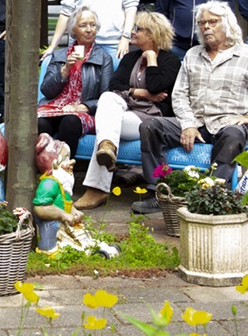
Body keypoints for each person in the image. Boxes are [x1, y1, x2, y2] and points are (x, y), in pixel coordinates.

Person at [132, 0, 248, 214]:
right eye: (202, 22)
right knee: (150, 126)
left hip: (229, 124)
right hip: (195, 122)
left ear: (227, 24)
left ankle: (211, 196)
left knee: (233, 135)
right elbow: (179, 95)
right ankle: (160, 192)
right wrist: (187, 124)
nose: (206, 26)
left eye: (212, 22)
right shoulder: (192, 54)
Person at [74, 11, 181, 210]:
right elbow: (114, 86)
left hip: (149, 119)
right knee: (107, 98)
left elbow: (157, 85)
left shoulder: (171, 61)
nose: (132, 32)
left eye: (138, 29)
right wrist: (142, 93)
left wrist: (151, 59)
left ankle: (97, 189)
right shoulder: (130, 57)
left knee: (107, 127)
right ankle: (107, 146)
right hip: (123, 110)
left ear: (153, 34)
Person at [38, 6, 113, 158]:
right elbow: (46, 90)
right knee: (40, 124)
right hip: (54, 108)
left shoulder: (104, 59)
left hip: (82, 113)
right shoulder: (59, 55)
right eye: (83, 25)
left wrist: (84, 106)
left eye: (92, 25)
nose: (89, 30)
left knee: (70, 122)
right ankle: (42, 169)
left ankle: (63, 169)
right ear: (73, 30)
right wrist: (65, 69)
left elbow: (107, 97)